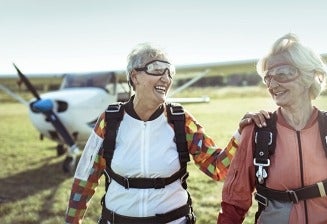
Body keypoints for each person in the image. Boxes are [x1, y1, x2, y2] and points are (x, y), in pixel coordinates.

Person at [64, 42, 252, 224]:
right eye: (157, 69)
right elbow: (84, 179)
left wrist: (240, 135)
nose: (166, 78)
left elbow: (218, 169)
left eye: (169, 72)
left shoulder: (181, 120)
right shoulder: (110, 120)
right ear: (134, 76)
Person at [217, 33, 327, 223]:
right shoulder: (257, 132)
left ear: (309, 76)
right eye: (268, 78)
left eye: (282, 74)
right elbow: (233, 203)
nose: (273, 84)